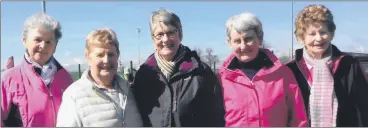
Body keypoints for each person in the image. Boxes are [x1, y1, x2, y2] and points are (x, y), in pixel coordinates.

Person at [132, 8, 225, 127]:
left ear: (180, 34)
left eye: (171, 32)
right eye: (159, 34)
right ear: (153, 38)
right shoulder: (143, 75)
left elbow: (216, 117)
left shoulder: (201, 73)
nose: (165, 39)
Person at [218, 12, 308, 127]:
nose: (243, 46)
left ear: (260, 38)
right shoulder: (221, 78)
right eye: (237, 41)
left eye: (248, 38)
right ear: (229, 43)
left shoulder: (283, 74)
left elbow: (298, 119)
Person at [286, 4, 368, 127]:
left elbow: (363, 107)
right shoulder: (290, 69)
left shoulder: (350, 64)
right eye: (312, 34)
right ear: (301, 37)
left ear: (331, 33)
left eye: (323, 32)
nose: (318, 38)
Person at [56, 28, 142, 127]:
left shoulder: (128, 90)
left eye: (111, 54)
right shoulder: (74, 95)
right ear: (88, 57)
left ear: (118, 55)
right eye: (100, 55)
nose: (106, 60)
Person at [1, 13, 73, 127]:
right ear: (24, 41)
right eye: (37, 40)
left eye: (49, 41)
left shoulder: (67, 79)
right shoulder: (7, 80)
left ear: (55, 46)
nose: (43, 46)